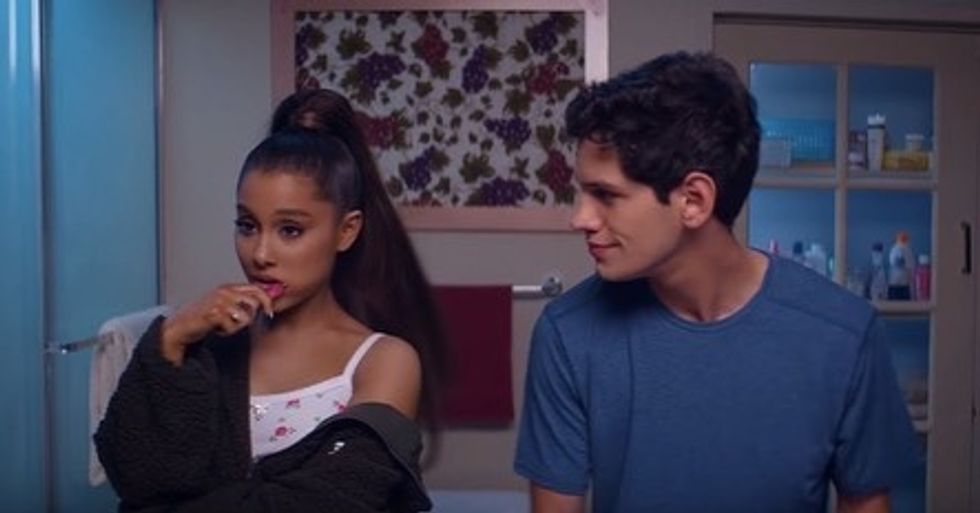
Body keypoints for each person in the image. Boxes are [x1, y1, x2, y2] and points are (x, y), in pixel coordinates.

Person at [514, 52, 921, 513]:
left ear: (693, 200)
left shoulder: (845, 335)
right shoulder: (567, 335)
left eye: (605, 195)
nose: (580, 219)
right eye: (583, 193)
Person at [95, 88, 446, 513]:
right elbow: (140, 480)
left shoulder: (384, 361)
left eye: (290, 230)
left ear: (346, 230)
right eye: (247, 226)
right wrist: (170, 338)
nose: (260, 254)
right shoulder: (208, 351)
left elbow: (327, 503)